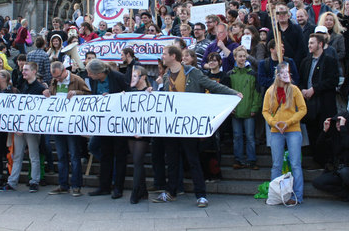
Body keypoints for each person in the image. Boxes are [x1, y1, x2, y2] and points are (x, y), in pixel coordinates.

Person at [152, 45, 240, 208]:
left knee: (193, 159)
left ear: (173, 56)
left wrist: (233, 93)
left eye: (164, 54)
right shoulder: (166, 76)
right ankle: (171, 192)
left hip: (187, 124)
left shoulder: (192, 72)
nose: (162, 56)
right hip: (171, 125)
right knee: (171, 160)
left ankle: (201, 195)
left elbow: (212, 85)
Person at [0, 62, 49, 193]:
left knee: (33, 155)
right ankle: (12, 181)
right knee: (17, 155)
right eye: (23, 70)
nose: (23, 72)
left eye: (26, 70)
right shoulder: (23, 85)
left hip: (32, 128)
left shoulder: (40, 88)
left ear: (34, 71)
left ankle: (34, 181)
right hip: (20, 127)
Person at [262, 62, 307, 205]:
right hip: (276, 130)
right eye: (282, 73)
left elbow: (302, 109)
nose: (284, 76)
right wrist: (273, 122)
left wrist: (290, 122)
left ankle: (298, 196)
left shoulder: (294, 90)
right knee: (276, 164)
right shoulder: (270, 91)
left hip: (293, 130)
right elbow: (265, 111)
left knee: (295, 163)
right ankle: (275, 195)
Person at [85, 59, 129, 198]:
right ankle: (104, 186)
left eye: (90, 73)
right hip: (103, 123)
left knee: (120, 156)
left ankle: (118, 188)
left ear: (98, 73)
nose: (89, 76)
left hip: (118, 123)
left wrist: (112, 98)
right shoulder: (94, 81)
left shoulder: (118, 78)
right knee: (105, 155)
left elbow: (128, 95)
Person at [48, 61, 91, 196]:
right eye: (55, 77)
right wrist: (47, 93)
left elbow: (89, 95)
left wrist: (77, 93)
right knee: (61, 156)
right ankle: (63, 184)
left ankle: (76, 185)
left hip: (72, 123)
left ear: (64, 71)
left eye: (59, 76)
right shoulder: (54, 81)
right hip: (59, 123)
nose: (57, 79)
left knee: (74, 155)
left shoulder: (76, 80)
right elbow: (51, 95)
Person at [299, 33, 339, 165]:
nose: (309, 45)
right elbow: (302, 80)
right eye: (309, 43)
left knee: (326, 133)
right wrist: (304, 90)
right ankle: (316, 160)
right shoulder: (305, 61)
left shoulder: (330, 60)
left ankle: (327, 162)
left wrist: (314, 89)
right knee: (312, 132)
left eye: (312, 43)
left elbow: (333, 80)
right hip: (310, 105)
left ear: (320, 44)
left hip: (324, 104)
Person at [227, 46, 261, 170]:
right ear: (235, 58)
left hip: (249, 110)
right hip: (235, 111)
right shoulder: (230, 74)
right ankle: (238, 159)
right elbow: (226, 93)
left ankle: (252, 160)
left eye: (244, 56)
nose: (242, 58)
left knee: (250, 136)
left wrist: (255, 107)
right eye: (240, 56)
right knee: (237, 136)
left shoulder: (252, 74)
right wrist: (229, 108)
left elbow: (257, 93)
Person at [128, 66, 153, 204]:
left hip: (143, 131)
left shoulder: (150, 92)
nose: (132, 78)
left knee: (138, 161)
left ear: (143, 77)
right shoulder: (129, 92)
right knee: (137, 161)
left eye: (135, 76)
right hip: (131, 130)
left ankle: (135, 192)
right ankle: (143, 192)